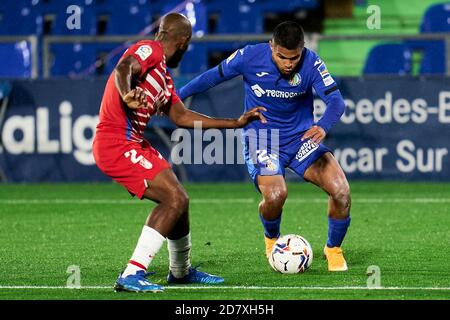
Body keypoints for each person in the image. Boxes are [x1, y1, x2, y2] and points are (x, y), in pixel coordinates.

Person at [92, 13, 267, 293]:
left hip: (133, 143)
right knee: (173, 198)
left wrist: (234, 122)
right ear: (184, 42)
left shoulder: (163, 76)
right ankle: (132, 273)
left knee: (180, 201)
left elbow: (182, 117)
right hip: (115, 142)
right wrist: (126, 93)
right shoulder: (148, 50)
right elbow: (123, 67)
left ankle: (181, 272)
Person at [178, 21, 351, 272]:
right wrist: (176, 96)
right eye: (282, 57)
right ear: (272, 47)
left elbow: (336, 101)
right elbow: (212, 76)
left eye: (294, 57)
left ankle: (333, 249)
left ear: (302, 50)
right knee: (275, 195)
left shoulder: (312, 62)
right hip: (263, 137)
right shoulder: (249, 56)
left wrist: (323, 125)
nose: (289, 63)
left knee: (342, 192)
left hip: (301, 138)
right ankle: (272, 241)